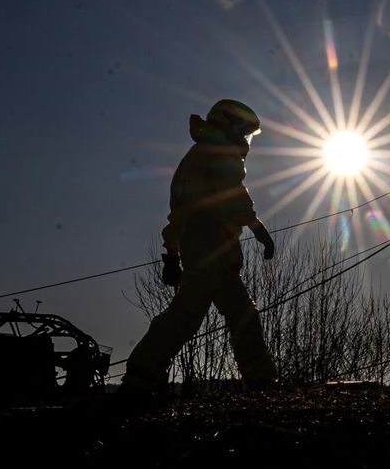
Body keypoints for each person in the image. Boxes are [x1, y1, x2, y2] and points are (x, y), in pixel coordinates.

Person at [119, 99, 279, 399]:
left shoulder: (196, 156)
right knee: (188, 315)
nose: (245, 140)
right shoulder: (218, 151)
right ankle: (139, 379)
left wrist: (172, 255)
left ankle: (261, 381)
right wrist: (258, 229)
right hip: (212, 248)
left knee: (234, 314)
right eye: (243, 131)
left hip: (205, 250)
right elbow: (233, 195)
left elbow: (178, 215)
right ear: (230, 124)